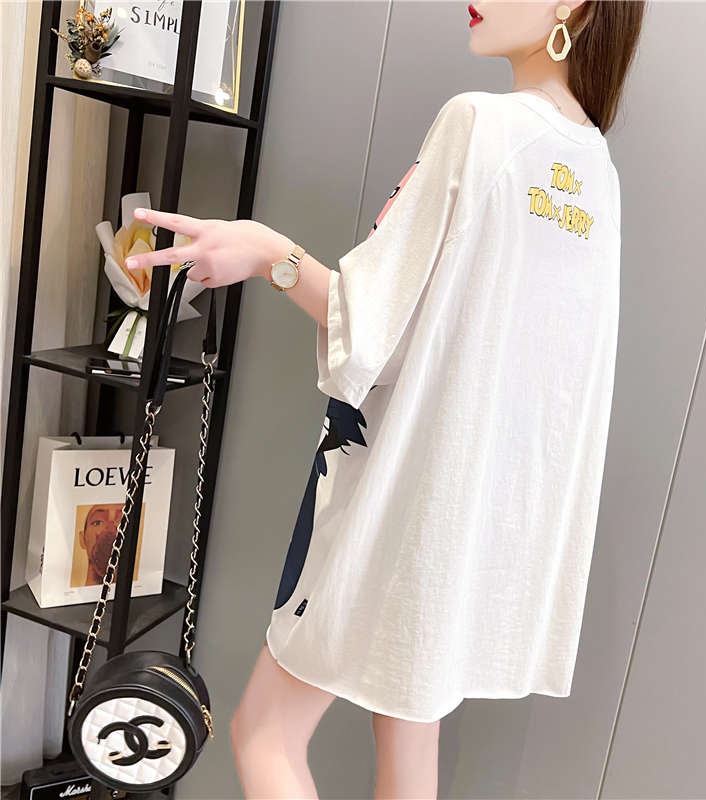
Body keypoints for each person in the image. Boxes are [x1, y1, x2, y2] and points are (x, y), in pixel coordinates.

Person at [126, 1, 644, 796]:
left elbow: (375, 332)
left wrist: (269, 254)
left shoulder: (480, 125)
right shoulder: (596, 172)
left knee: (266, 734)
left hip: (396, 498)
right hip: (474, 528)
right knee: (408, 745)